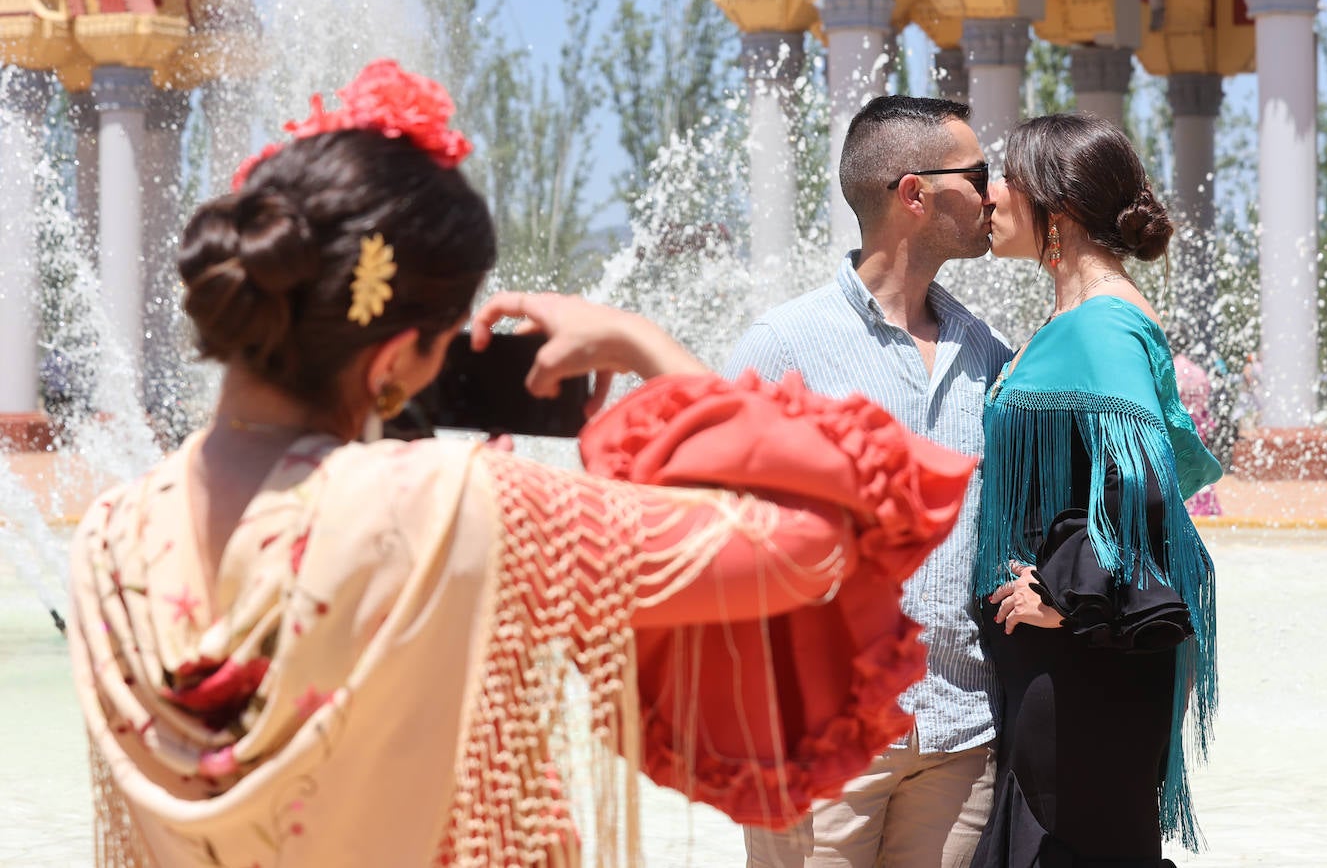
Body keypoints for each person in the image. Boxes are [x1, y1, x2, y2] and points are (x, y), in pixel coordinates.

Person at [65, 61, 982, 867]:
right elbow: (812, 542)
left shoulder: (110, 535)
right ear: (395, 360)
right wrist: (644, 345)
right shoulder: (468, 509)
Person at [726, 95, 1011, 867]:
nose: (996, 194)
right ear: (914, 194)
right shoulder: (784, 345)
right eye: (979, 174)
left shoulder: (986, 351)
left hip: (959, 736)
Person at [972, 113, 1222, 866]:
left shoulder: (1102, 322)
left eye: (1006, 177)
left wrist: (1061, 591)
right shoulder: (1082, 315)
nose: (989, 195)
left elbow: (1142, 477)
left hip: (1085, 658)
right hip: (1076, 655)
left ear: (1060, 206)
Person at [1172, 353, 1222, 517]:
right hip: (1198, 425)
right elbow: (1205, 401)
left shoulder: (1171, 367)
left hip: (1178, 427)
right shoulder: (1199, 371)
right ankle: (1206, 507)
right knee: (1200, 468)